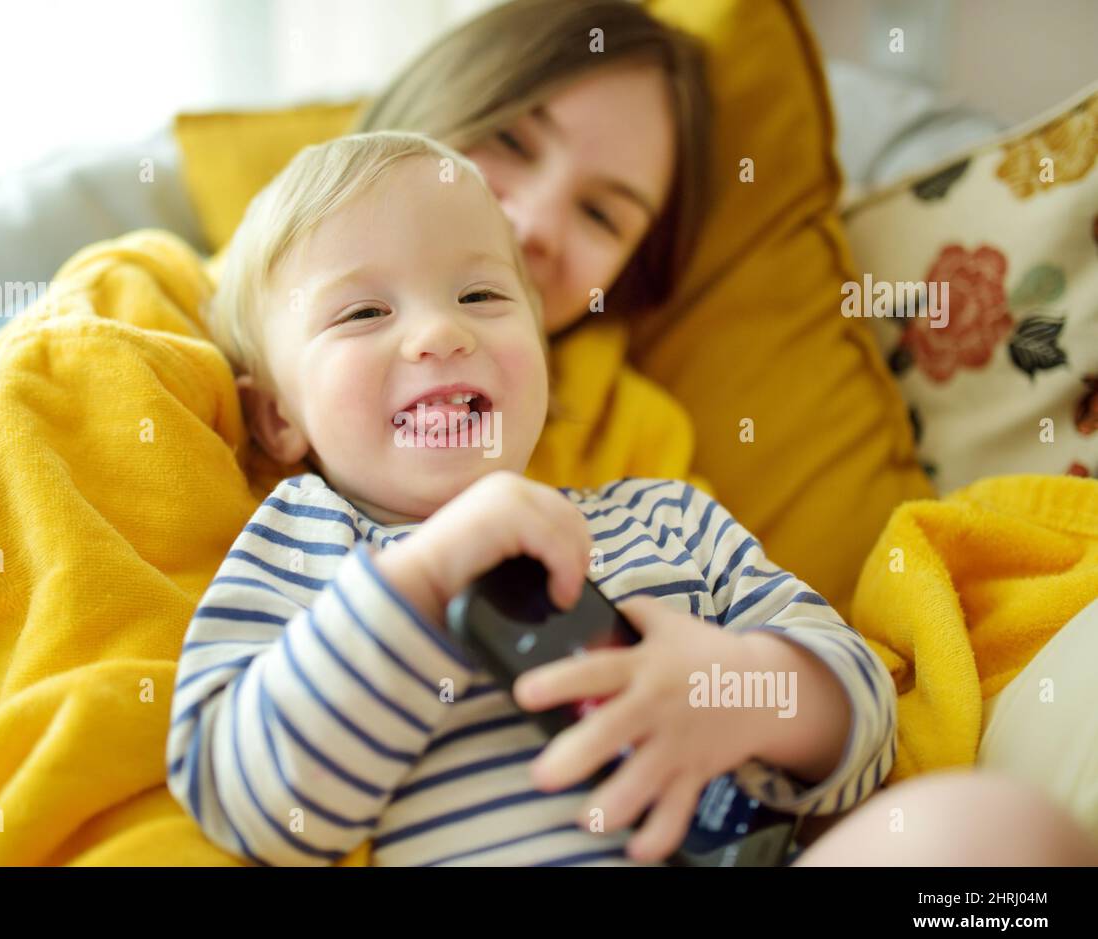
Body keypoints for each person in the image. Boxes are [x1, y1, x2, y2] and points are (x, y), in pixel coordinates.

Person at [167, 130, 896, 865]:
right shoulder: (302, 545)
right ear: (278, 418)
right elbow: (251, 806)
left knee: (981, 818)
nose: (440, 332)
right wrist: (422, 583)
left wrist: (742, 688)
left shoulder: (666, 519)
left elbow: (867, 724)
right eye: (362, 313)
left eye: (480, 295)